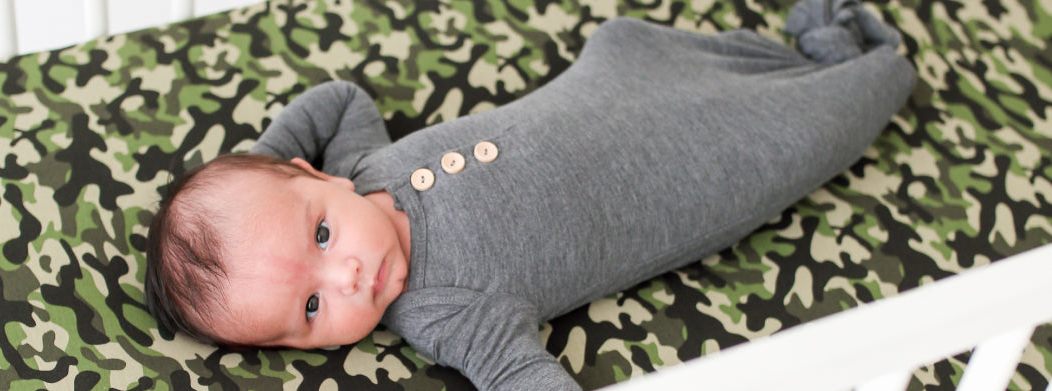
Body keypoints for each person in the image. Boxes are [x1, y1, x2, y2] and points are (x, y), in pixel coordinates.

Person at [144, 0, 916, 388]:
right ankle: (853, 57)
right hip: (690, 177)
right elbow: (521, 377)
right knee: (805, 129)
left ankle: (813, 51)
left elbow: (339, 95)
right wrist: (282, 184)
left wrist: (264, 161)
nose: (344, 275)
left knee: (665, 54)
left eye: (318, 237)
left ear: (320, 178)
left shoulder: (361, 163)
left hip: (616, 89)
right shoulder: (443, 313)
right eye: (311, 310)